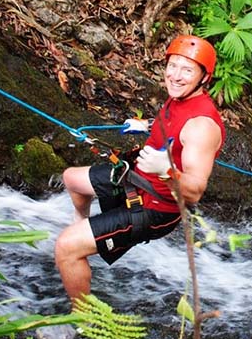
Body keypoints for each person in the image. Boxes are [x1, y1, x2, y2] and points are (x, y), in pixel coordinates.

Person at [54, 34, 226, 302]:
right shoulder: (180, 98)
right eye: (173, 66)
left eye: (187, 70)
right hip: (137, 178)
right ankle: (84, 232)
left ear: (204, 78)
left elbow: (194, 192)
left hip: (156, 208)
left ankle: (82, 322)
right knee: (72, 179)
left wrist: (166, 169)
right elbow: (172, 123)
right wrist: (146, 125)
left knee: (65, 246)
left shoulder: (201, 127)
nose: (176, 76)